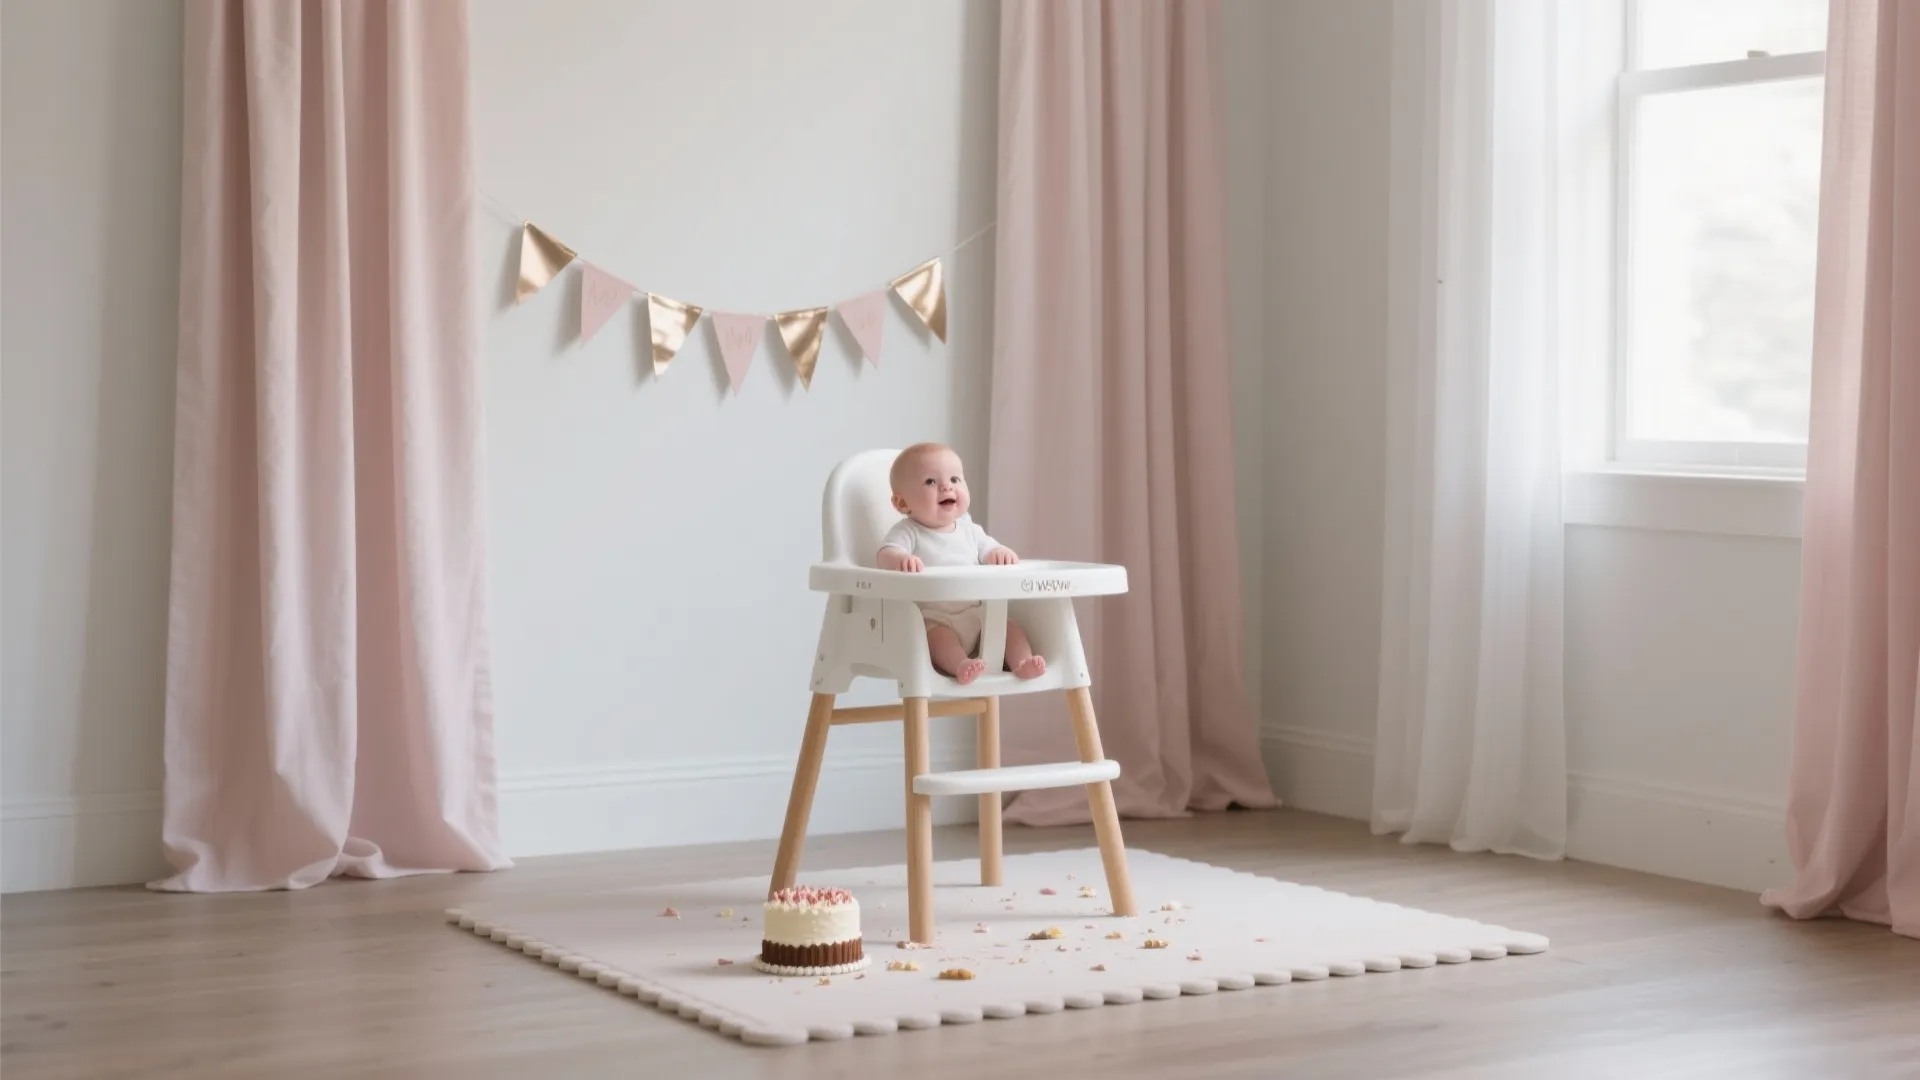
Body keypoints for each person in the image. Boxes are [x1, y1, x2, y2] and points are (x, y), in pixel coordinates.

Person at [876, 443, 1046, 684]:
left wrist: (1000, 553)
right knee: (938, 641)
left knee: (1008, 627)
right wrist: (901, 559)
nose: (947, 486)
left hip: (976, 613)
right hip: (936, 618)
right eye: (930, 482)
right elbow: (885, 553)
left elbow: (991, 550)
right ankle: (961, 665)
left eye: (955, 479)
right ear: (902, 504)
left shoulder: (970, 530)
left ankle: (1022, 662)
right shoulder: (909, 532)